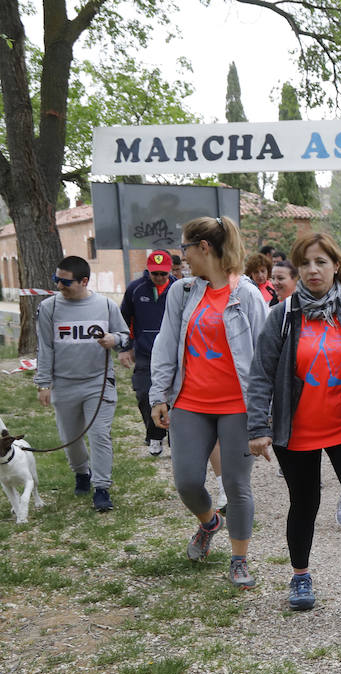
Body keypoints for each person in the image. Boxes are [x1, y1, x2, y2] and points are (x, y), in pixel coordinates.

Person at [246, 233, 341, 617]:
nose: (313, 270)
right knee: (305, 502)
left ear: (336, 266)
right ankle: (300, 576)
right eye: (305, 264)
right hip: (296, 429)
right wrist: (257, 428)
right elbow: (261, 374)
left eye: (321, 262)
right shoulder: (282, 317)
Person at [149, 216, 266, 589]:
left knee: (236, 484)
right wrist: (159, 395)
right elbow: (165, 344)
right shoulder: (182, 292)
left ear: (204, 248)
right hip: (190, 402)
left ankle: (239, 558)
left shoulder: (246, 294)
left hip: (237, 406)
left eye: (185, 247)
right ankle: (209, 522)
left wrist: (264, 415)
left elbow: (265, 358)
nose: (181, 256)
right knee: (186, 481)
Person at [35, 255, 129, 512]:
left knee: (99, 434)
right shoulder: (48, 308)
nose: (58, 285)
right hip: (64, 384)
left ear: (84, 281)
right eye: (56, 279)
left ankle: (102, 488)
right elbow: (44, 348)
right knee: (70, 437)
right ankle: (81, 473)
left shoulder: (106, 306)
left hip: (98, 383)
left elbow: (125, 336)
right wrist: (43, 384)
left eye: (64, 281)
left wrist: (114, 339)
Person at [120, 250, 176, 457]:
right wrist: (125, 348)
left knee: (173, 395)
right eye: (155, 273)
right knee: (144, 394)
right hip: (145, 351)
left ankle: (173, 436)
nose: (159, 277)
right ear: (148, 271)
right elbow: (123, 320)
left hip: (172, 353)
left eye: (163, 273)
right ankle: (154, 435)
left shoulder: (178, 288)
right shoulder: (135, 289)